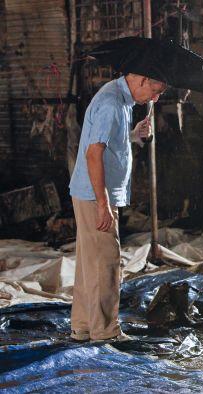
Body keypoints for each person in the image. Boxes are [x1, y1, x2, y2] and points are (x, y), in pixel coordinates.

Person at [68, 73, 166, 341]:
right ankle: (105, 331)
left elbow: (110, 144)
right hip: (95, 195)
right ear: (143, 79)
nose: (156, 98)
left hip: (90, 192)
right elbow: (93, 153)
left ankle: (84, 326)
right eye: (156, 89)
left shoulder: (121, 99)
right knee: (106, 262)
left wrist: (134, 135)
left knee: (90, 261)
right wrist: (103, 204)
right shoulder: (112, 103)